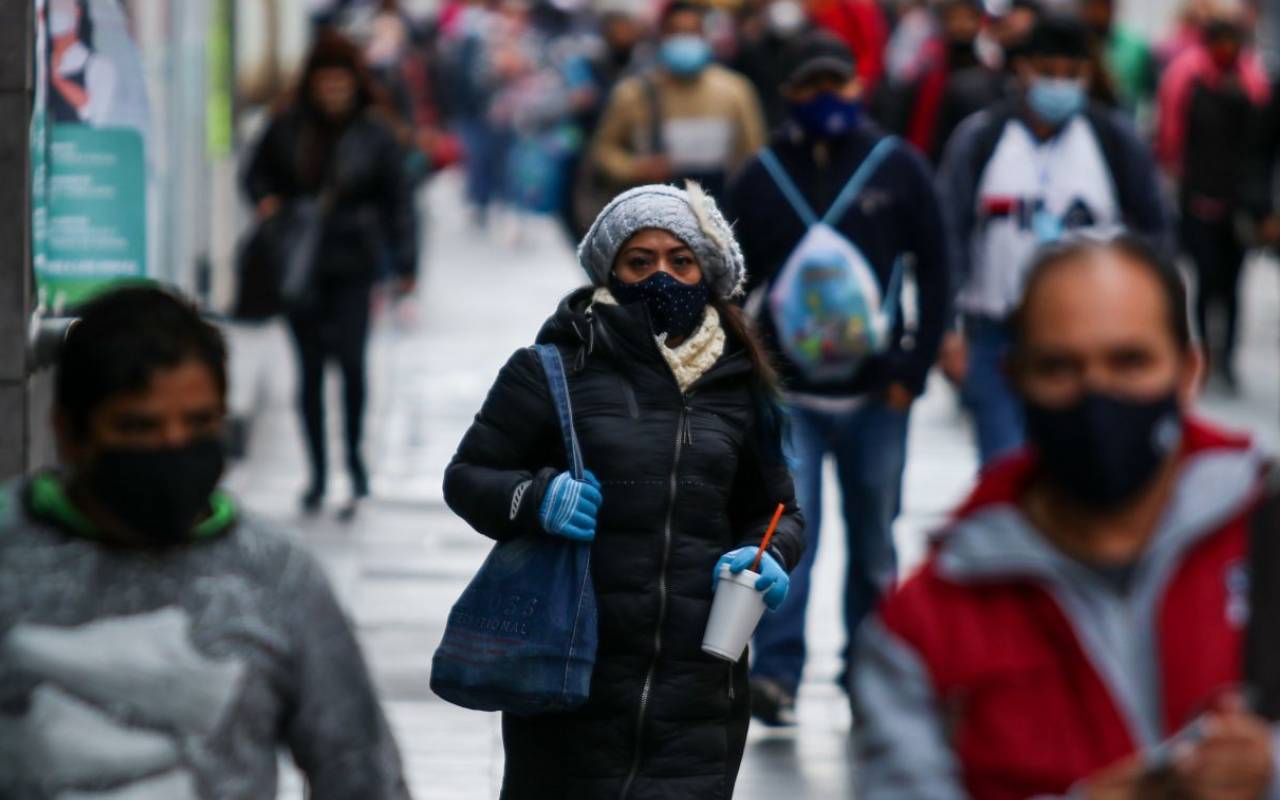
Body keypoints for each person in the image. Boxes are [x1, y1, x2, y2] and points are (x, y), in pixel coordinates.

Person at [853, 236, 1279, 800]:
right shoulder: (926, 627)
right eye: (1059, 368)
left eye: (1130, 361)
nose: (1096, 394)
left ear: (1188, 371)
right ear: (1015, 379)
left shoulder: (1265, 536)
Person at [443, 182, 805, 798]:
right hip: (570, 680)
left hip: (698, 692)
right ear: (611, 268)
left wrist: (767, 555)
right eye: (641, 261)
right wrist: (537, 500)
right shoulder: (553, 366)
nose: (661, 275)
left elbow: (778, 511)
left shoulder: (739, 384)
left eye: (680, 260)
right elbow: (469, 478)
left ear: (706, 274)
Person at [0, 285, 409, 798]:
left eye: (198, 424)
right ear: (69, 432)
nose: (172, 447)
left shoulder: (275, 576)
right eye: (140, 426)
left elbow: (359, 773)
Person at [725, 31, 951, 726]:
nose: (826, 99)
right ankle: (778, 674)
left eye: (838, 84)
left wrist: (914, 367)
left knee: (875, 538)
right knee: (793, 535)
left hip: (878, 394)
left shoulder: (898, 168)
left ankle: (869, 672)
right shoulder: (761, 176)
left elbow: (939, 268)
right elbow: (731, 285)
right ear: (788, 95)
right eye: (810, 87)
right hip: (791, 396)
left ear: (858, 88)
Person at [937, 14, 1167, 467]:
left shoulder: (1112, 140)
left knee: (1081, 469)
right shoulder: (983, 139)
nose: (1059, 86)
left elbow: (1156, 232)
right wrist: (947, 332)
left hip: (1092, 338)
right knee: (1004, 469)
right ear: (1022, 70)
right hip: (998, 335)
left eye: (1071, 75)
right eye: (1048, 73)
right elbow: (950, 235)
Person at [243, 31, 418, 514]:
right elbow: (254, 173)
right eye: (326, 83)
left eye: (342, 83)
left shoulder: (375, 131)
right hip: (301, 265)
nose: (333, 93)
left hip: (354, 262)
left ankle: (356, 466)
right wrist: (268, 203)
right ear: (312, 84)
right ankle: (318, 472)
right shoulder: (287, 126)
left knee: (354, 366)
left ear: (355, 84)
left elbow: (399, 200)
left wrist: (406, 263)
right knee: (310, 371)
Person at [1156, 12, 1270, 392]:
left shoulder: (1254, 82)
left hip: (1238, 204)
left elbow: (1261, 150)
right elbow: (1171, 136)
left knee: (1233, 284)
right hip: (1198, 199)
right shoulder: (1186, 77)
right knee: (1205, 281)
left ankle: (1228, 360)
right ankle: (1204, 354)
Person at [586, 1, 766, 206]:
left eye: (691, 32)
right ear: (661, 36)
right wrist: (636, 168)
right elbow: (602, 152)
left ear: (704, 36)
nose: (684, 40)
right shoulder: (633, 94)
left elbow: (753, 154)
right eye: (676, 32)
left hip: (720, 208)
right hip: (655, 211)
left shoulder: (734, 91)